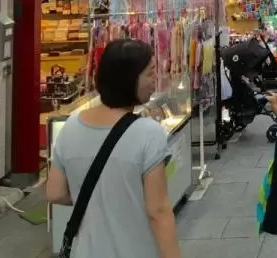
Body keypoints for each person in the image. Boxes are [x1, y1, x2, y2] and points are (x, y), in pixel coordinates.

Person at [46, 39, 180, 258]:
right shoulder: (148, 133)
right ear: (128, 79)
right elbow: (158, 211)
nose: (155, 79)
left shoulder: (70, 126)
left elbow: (55, 193)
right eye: (150, 73)